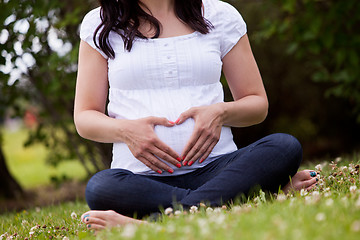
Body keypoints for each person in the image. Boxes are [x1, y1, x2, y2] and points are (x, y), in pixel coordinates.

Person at [74, 0, 317, 230]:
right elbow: (85, 117)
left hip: (218, 170)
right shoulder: (100, 24)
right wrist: (126, 131)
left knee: (285, 146)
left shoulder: (220, 15)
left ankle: (159, 222)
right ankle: (246, 200)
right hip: (142, 180)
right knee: (100, 188)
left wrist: (219, 112)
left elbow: (257, 104)